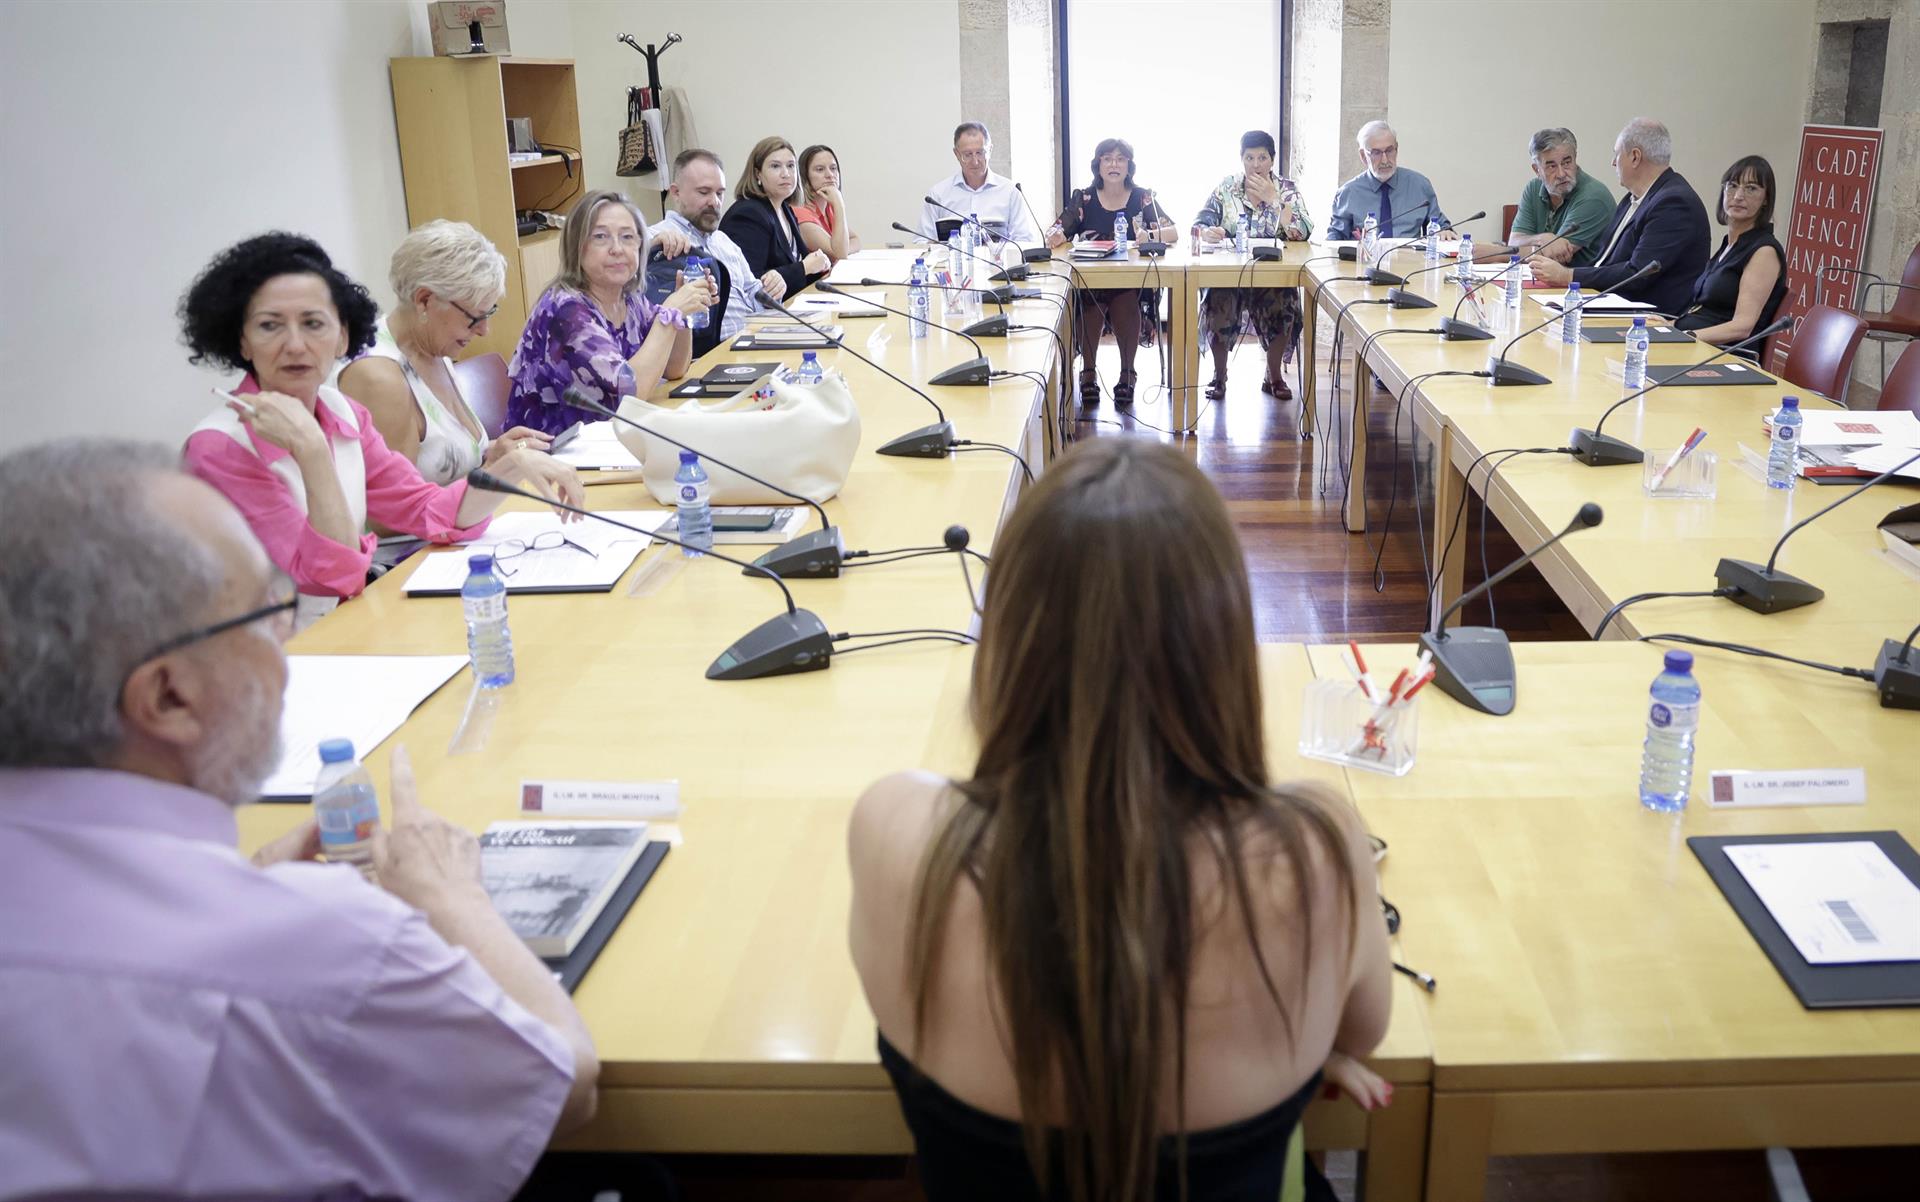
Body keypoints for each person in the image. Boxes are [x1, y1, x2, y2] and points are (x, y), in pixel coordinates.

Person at [0, 439, 598, 1201]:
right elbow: (560, 1083)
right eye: (270, 612)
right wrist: (452, 897)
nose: (287, 648)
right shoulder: (316, 944)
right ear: (170, 699)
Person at [848, 437, 1391, 1202]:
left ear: (1006, 636)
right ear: (1225, 642)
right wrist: (1280, 1045)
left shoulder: (893, 830)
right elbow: (1361, 1032)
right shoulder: (1319, 852)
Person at [179, 232, 579, 625]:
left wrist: (512, 466)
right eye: (270, 326)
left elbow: (426, 509)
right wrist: (314, 453)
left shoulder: (344, 412)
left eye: (314, 323)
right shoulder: (218, 448)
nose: (296, 345)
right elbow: (330, 581)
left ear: (342, 337)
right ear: (242, 342)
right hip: (281, 659)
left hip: (350, 630)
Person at [337, 219, 578, 487]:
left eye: (489, 313)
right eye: (474, 317)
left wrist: (496, 452)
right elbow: (392, 515)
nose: (484, 331)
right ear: (424, 300)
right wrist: (494, 471)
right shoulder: (377, 378)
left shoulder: (434, 348)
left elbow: (444, 463)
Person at [508, 189, 715, 436]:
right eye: (601, 237)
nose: (617, 249)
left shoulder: (629, 299)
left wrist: (682, 313)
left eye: (627, 237)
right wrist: (669, 313)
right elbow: (630, 397)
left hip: (608, 443)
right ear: (577, 246)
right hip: (551, 456)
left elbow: (674, 369)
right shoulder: (567, 311)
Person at [1529, 118, 1708, 317]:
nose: (1613, 162)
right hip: (1608, 305)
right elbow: (1603, 263)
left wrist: (1567, 276)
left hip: (1647, 321)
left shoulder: (1673, 203)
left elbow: (1638, 273)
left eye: (1616, 154)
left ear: (1634, 157)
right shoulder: (1632, 199)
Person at [1046, 138, 1180, 405]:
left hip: (1131, 281)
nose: (1114, 164)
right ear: (1098, 166)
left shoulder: (1143, 197)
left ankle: (1127, 373)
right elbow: (1058, 229)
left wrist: (1149, 234)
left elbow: (1173, 231)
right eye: (1107, 159)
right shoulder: (1083, 198)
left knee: (1126, 298)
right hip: (1090, 280)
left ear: (1129, 166)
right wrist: (1056, 235)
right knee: (1090, 299)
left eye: (1120, 159)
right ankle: (1088, 373)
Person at [1193, 130, 1314, 402]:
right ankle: (1219, 375)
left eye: (1262, 157)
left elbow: (1303, 232)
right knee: (1218, 301)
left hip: (1273, 275)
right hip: (1230, 275)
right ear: (1242, 159)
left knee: (1285, 305)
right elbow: (1199, 223)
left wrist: (1275, 200)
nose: (1256, 164)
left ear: (1272, 160)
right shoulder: (1227, 187)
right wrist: (1208, 231)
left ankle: (1274, 375)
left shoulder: (1286, 189)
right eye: (1250, 158)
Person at [1675, 155, 1787, 358]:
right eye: (1732, 186)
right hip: (1699, 347)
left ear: (1766, 200)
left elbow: (1742, 326)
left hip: (1727, 356)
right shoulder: (1731, 244)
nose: (1738, 196)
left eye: (1751, 188)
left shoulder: (1764, 252)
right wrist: (1669, 326)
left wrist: (1687, 335)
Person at [651, 148, 765, 343]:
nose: (714, 202)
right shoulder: (656, 238)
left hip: (750, 341)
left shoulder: (724, 241)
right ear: (676, 193)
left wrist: (773, 287)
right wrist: (650, 247)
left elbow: (754, 293)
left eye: (720, 193)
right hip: (707, 354)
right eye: (704, 192)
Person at [718, 136, 832, 305]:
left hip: (789, 308)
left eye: (791, 166)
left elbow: (802, 267)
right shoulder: (748, 214)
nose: (786, 173)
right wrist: (806, 267)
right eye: (775, 166)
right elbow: (753, 282)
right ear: (758, 174)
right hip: (756, 317)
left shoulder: (785, 209)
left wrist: (821, 264)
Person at [1506, 128, 1617, 268]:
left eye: (1566, 163)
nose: (1561, 174)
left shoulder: (1594, 197)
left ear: (1575, 159)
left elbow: (1556, 255)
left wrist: (1498, 252)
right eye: (1551, 166)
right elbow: (1515, 242)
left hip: (1587, 286)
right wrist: (1543, 238)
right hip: (1548, 281)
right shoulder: (1534, 188)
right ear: (1537, 170)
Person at [920, 121, 1041, 245]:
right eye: (967, 155)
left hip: (1000, 263)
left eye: (980, 153)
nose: (975, 161)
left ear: (990, 150)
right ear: (956, 154)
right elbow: (921, 241)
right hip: (951, 262)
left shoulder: (1010, 191)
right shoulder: (938, 194)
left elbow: (1024, 240)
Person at [1326, 120, 1448, 241]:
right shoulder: (1348, 193)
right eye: (1376, 153)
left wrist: (1445, 232)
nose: (1385, 160)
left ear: (1397, 149)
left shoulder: (1419, 185)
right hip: (1365, 259)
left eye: (1389, 151)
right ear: (1363, 156)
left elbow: (1440, 226)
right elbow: (1335, 238)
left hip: (1410, 259)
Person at [793, 143, 862, 262]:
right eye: (820, 169)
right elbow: (839, 253)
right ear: (805, 176)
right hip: (814, 280)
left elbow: (856, 240)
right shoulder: (800, 213)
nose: (830, 175)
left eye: (833, 168)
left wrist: (845, 248)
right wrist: (839, 204)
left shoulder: (828, 207)